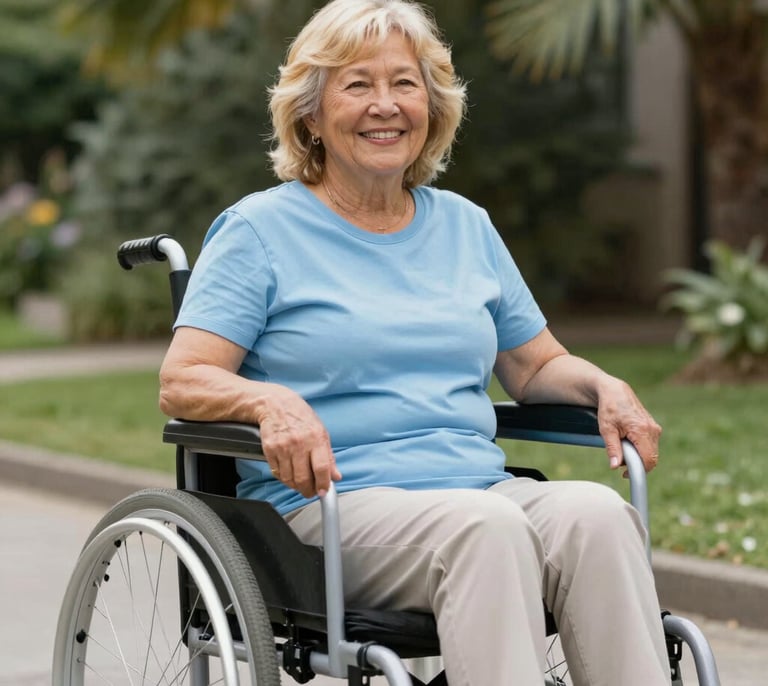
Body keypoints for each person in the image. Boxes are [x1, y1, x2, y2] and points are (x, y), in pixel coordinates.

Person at [158, 1, 670, 684]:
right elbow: (183, 378)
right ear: (310, 113)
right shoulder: (259, 231)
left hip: (477, 489)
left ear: (433, 107)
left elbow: (535, 363)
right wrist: (268, 403)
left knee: (599, 515)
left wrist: (605, 386)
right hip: (332, 507)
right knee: (486, 530)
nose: (386, 105)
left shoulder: (466, 226)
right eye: (357, 84)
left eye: (405, 83)